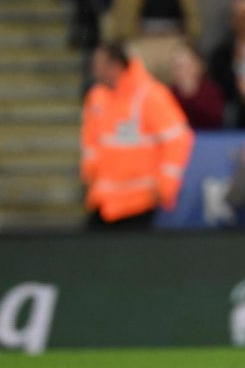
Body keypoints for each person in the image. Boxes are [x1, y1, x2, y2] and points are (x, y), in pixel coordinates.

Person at [81, 43, 194, 229]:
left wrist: (166, 185)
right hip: (103, 200)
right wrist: (89, 173)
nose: (95, 69)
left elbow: (178, 138)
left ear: (115, 65)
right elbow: (91, 140)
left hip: (139, 202)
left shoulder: (149, 94)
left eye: (99, 64)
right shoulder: (97, 97)